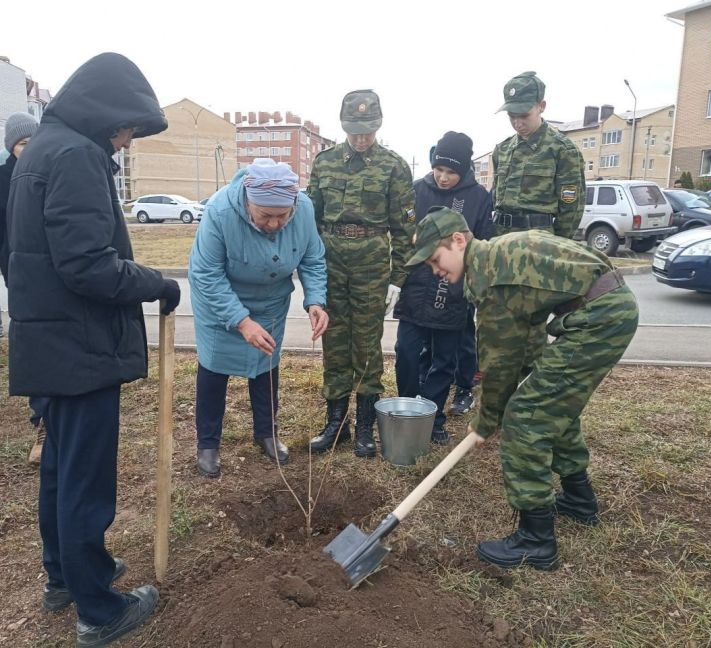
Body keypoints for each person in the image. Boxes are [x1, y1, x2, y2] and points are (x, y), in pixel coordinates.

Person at [6, 52, 180, 646]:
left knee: (59, 468)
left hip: (50, 339)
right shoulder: (77, 156)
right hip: (77, 345)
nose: (127, 138)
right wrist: (156, 282)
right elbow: (87, 265)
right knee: (83, 478)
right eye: (127, 126)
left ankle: (66, 577)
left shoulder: (44, 151)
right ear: (105, 113)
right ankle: (99, 611)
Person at [406, 207, 638, 571]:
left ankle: (536, 540)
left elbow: (499, 363)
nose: (436, 271)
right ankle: (579, 499)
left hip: (598, 319)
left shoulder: (493, 279)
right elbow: (527, 329)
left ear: (458, 240)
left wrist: (487, 421)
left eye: (436, 259)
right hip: (602, 308)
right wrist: (533, 372)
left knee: (526, 418)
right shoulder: (499, 254)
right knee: (550, 404)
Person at [188, 158, 328, 477]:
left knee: (265, 366)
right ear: (249, 202)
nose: (276, 224)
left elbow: (312, 258)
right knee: (214, 369)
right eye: (267, 215)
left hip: (270, 301)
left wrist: (315, 301)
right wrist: (241, 321)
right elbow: (205, 273)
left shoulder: (304, 209)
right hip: (221, 303)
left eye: (283, 215)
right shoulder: (220, 212)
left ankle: (266, 433)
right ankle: (208, 443)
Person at [307, 89, 415, 458]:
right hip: (331, 257)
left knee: (367, 343)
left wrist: (397, 278)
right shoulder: (325, 163)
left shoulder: (393, 166)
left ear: (379, 124)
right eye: (355, 130)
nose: (361, 138)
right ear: (343, 125)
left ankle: (366, 425)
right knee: (334, 340)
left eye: (367, 130)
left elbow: (404, 229)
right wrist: (310, 272)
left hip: (371, 260)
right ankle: (336, 423)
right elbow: (311, 220)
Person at [393, 132, 493, 444]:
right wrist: (396, 279)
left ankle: (433, 418)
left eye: (451, 172)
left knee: (443, 360)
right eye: (439, 169)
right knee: (406, 352)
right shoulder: (417, 190)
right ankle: (407, 409)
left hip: (452, 290)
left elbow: (483, 245)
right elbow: (402, 232)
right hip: (416, 286)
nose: (443, 177)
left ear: (463, 171)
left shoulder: (478, 197)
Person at [492, 71, 586, 377]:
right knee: (502, 323)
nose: (518, 122)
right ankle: (502, 390)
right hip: (504, 246)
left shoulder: (562, 150)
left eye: (524, 114)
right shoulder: (503, 150)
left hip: (539, 247)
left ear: (541, 106)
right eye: (512, 116)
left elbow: (571, 208)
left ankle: (529, 393)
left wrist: (557, 253)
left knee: (532, 326)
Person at [0, 112, 49, 465]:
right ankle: (42, 423)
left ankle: (53, 422)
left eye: (34, 143)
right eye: (22, 145)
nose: (29, 151)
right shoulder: (2, 181)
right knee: (33, 349)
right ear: (11, 148)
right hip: (18, 278)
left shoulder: (48, 175)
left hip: (51, 276)